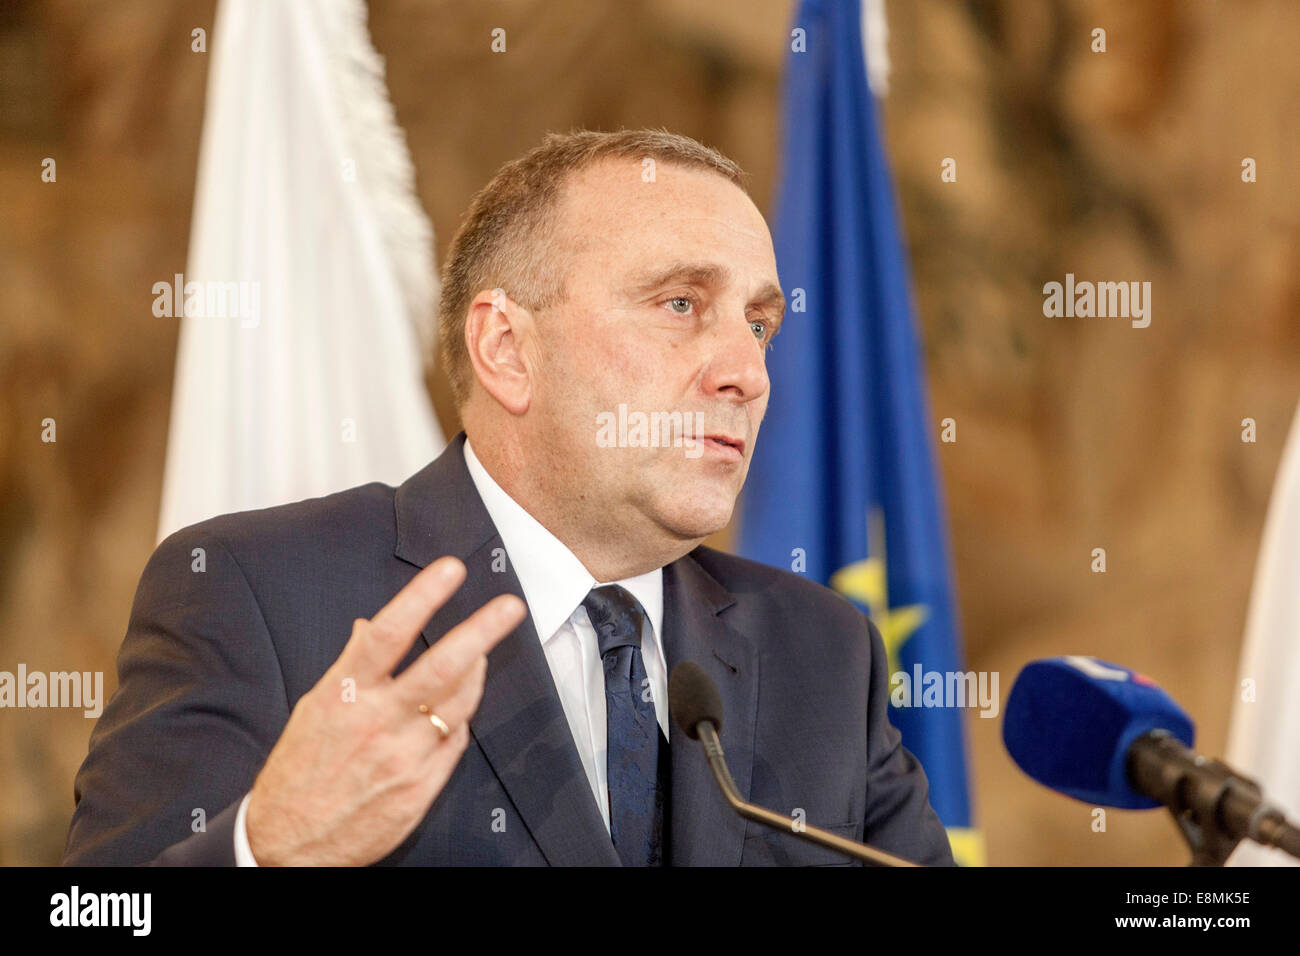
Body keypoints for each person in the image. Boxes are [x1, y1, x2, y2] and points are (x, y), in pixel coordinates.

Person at [63, 129, 955, 866]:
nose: (747, 372)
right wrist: (263, 848)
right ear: (506, 349)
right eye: (681, 304)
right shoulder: (259, 593)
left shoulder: (823, 653)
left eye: (759, 325)